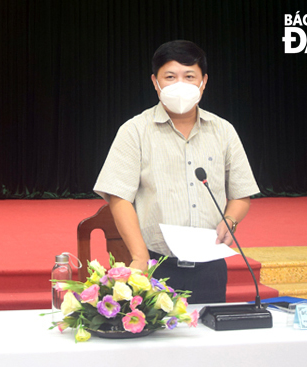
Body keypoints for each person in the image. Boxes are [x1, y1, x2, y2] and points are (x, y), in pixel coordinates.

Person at [94, 40, 259, 303]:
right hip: (155, 264)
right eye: (170, 77)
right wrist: (139, 257)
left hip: (211, 264)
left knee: (208, 339)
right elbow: (118, 196)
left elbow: (241, 193)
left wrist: (231, 220)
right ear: (155, 82)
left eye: (189, 76)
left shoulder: (223, 130)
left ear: (203, 81)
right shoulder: (135, 130)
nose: (180, 85)